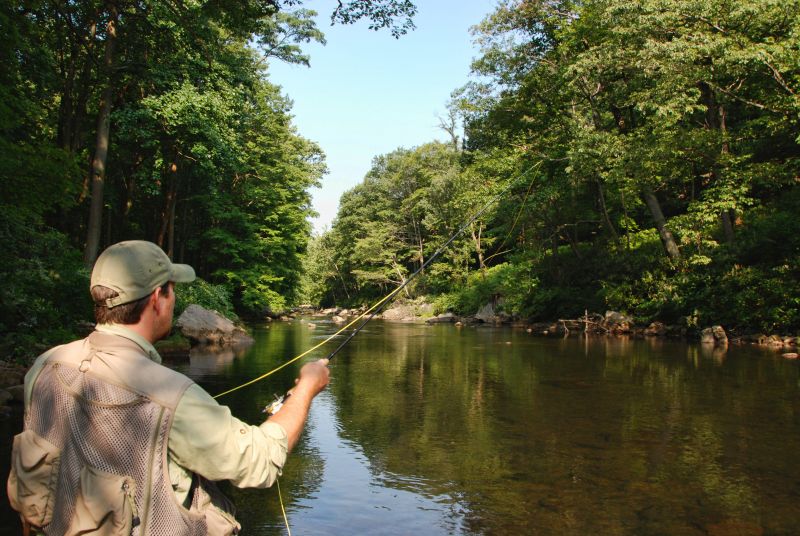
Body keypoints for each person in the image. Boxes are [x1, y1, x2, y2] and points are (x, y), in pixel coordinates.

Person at [7, 240, 330, 535]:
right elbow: (260, 462)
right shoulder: (171, 394)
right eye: (172, 289)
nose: (175, 299)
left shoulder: (45, 365)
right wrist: (307, 388)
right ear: (157, 299)